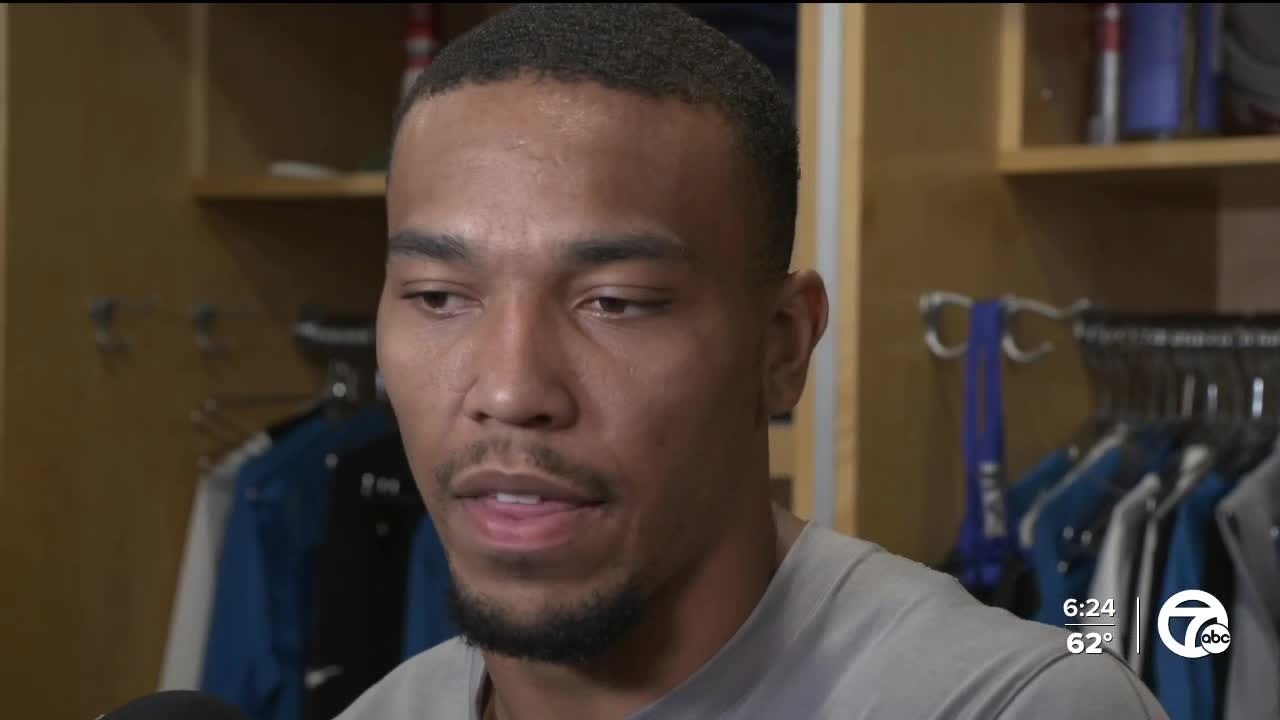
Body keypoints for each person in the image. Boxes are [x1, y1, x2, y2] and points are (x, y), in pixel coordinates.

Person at [341, 4, 1169, 719]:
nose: (511, 389)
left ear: (781, 344)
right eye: (438, 297)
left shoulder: (1014, 707)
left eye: (617, 301)